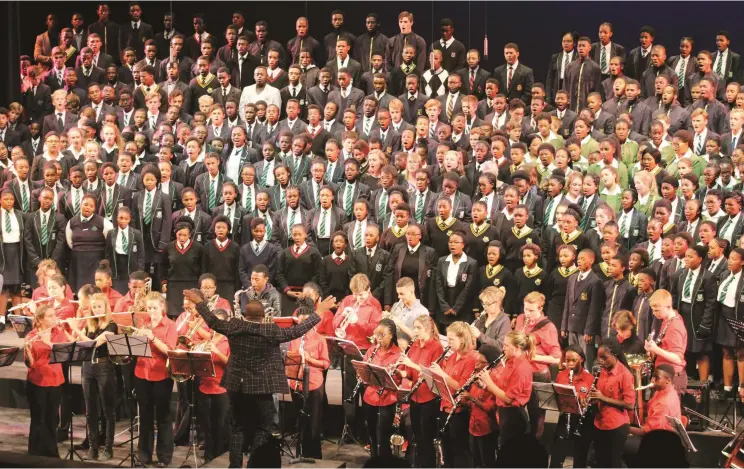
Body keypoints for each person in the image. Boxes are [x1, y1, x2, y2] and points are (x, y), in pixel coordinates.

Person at [184, 289, 330, 468]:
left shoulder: (234, 326)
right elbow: (297, 331)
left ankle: (235, 465)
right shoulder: (270, 330)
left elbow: (212, 320)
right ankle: (255, 464)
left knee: (237, 427)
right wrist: (318, 313)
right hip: (262, 388)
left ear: (245, 315)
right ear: (263, 316)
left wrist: (199, 302)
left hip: (236, 386)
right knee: (263, 428)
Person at [66, 293, 118, 461]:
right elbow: (77, 343)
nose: (95, 310)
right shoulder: (89, 325)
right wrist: (65, 329)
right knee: (90, 411)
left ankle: (108, 449)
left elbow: (93, 344)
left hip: (104, 367)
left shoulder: (112, 326)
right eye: (93, 307)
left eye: (99, 307)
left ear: (105, 308)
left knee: (107, 411)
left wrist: (75, 328)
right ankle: (93, 448)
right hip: (87, 367)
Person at [132, 292, 177, 467]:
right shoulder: (144, 324)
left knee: (163, 416)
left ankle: (165, 457)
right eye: (149, 308)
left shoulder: (170, 326)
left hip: (161, 376)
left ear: (162, 307)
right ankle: (144, 455)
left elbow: (169, 351)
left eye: (154, 308)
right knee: (145, 416)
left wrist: (152, 338)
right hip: (142, 373)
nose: (151, 311)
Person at [286, 298, 329, 459]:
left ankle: (314, 456)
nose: (302, 324)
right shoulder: (295, 338)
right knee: (300, 420)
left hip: (313, 385)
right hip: (296, 384)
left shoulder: (320, 339)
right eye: (300, 320)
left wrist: (310, 359)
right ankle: (300, 453)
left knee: (313, 423)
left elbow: (325, 364)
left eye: (305, 320)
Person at [430, 321, 478, 468]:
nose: (448, 343)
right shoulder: (451, 357)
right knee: (448, 451)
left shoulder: (472, 359)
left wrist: (441, 374)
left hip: (460, 411)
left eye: (452, 339)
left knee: (460, 452)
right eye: (448, 339)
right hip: (446, 406)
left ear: (463, 339)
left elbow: (461, 387)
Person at [398, 315, 443, 468]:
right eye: (414, 327)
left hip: (429, 398)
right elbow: (409, 374)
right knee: (417, 436)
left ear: (429, 329)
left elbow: (433, 374)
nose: (415, 331)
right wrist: (399, 372)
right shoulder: (415, 345)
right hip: (415, 396)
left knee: (426, 437)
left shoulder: (436, 347)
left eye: (419, 328)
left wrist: (411, 363)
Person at [24, 304, 68, 457]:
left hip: (55, 381)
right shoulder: (31, 335)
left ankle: (51, 453)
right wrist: (28, 352)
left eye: (54, 315)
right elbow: (30, 364)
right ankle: (34, 453)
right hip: (38, 382)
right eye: (50, 316)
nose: (54, 318)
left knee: (51, 419)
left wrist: (48, 342)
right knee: (38, 419)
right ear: (41, 320)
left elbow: (64, 352)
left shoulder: (59, 333)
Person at [589, 340, 635, 468]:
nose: (600, 361)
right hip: (600, 422)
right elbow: (600, 395)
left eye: (604, 358)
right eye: (599, 357)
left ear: (614, 355)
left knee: (612, 463)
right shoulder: (602, 371)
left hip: (616, 426)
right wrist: (593, 399)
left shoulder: (625, 374)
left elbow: (630, 404)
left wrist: (602, 398)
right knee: (599, 463)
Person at [549, 345, 594, 468]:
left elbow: (592, 402)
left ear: (582, 359)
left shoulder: (590, 378)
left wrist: (583, 400)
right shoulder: (561, 375)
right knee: (557, 454)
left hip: (582, 421)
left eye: (573, 360)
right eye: (567, 360)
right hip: (564, 418)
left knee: (580, 457)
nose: (569, 363)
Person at [198, 309, 230, 463]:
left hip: (222, 388)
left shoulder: (229, 340)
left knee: (221, 425)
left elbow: (231, 364)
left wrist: (216, 351)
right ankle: (208, 457)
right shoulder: (208, 339)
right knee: (207, 425)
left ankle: (219, 457)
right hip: (205, 385)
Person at [65, 193, 113, 291]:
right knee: (78, 291)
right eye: (85, 204)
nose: (88, 208)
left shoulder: (103, 222)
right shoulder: (72, 222)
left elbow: (110, 241)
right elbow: (69, 242)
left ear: (95, 209)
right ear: (81, 204)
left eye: (91, 206)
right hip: (77, 262)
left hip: (95, 261)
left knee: (94, 290)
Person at [646, 289, 688, 394]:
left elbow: (678, 359)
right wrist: (652, 350)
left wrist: (656, 349)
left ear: (668, 307)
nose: (654, 313)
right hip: (665, 375)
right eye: (653, 310)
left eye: (657, 310)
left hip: (672, 378)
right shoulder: (668, 320)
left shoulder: (675, 326)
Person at [434, 231, 478, 331]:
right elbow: (438, 284)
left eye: (455, 242)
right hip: (444, 304)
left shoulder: (471, 263)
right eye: (450, 242)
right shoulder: (442, 261)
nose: (452, 244)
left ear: (463, 244)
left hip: (462, 306)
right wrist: (444, 306)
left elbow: (468, 288)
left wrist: (456, 308)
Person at [276, 224, 322, 316]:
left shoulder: (314, 252)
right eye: (294, 235)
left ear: (305, 235)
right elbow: (279, 274)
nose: (297, 237)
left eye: (299, 234)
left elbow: (317, 274)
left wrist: (307, 292)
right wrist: (287, 291)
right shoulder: (285, 253)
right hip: (288, 295)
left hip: (307, 296)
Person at [164, 218, 204, 318]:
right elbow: (163, 266)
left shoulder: (198, 248)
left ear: (189, 235)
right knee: (173, 314)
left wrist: (200, 285)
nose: (182, 238)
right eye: (179, 235)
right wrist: (164, 282)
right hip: (173, 285)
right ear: (175, 233)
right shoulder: (168, 247)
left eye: (185, 235)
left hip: (192, 284)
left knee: (191, 312)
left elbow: (203, 268)